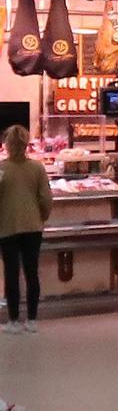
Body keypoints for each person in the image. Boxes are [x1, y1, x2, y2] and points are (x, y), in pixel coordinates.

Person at [0, 124, 51, 334]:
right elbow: (46, 198)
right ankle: (32, 319)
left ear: (8, 144)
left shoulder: (1, 169)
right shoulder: (37, 167)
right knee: (32, 273)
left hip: (7, 227)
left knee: (11, 274)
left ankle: (13, 320)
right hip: (33, 226)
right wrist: (42, 217)